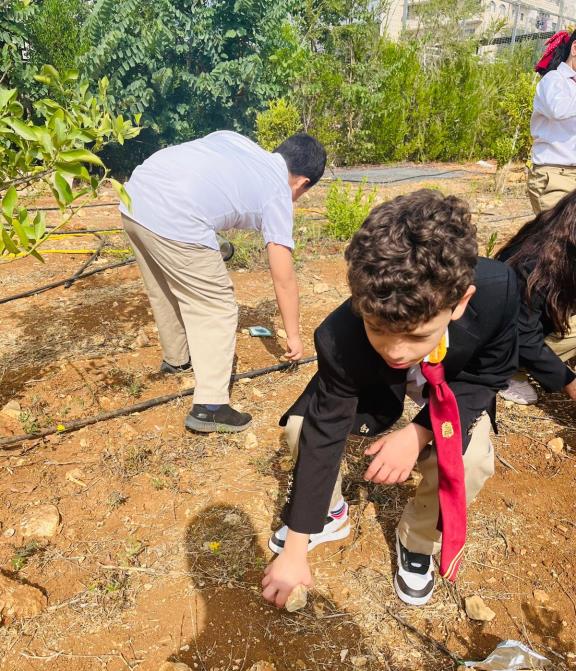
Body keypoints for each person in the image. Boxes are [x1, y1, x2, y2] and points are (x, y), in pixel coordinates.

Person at [262, 190, 519, 609]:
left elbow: (486, 376)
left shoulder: (499, 292)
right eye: (378, 329)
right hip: (377, 389)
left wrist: (418, 433)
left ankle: (418, 540)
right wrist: (294, 549)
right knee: (300, 429)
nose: (396, 352)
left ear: (460, 302)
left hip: (453, 386)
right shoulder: (339, 336)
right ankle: (329, 513)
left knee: (470, 458)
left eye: (417, 335)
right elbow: (326, 431)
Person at [120, 131, 326, 433]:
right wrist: (294, 336)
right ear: (302, 183)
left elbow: (207, 184)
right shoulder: (279, 192)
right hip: (175, 215)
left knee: (163, 287)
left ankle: (177, 360)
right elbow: (283, 277)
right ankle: (210, 407)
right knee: (216, 305)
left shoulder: (240, 144)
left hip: (135, 197)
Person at [497, 189, 576, 405]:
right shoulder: (535, 264)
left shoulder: (559, 238)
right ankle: (508, 372)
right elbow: (522, 334)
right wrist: (569, 382)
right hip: (505, 340)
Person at [528, 30, 576, 213]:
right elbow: (558, 109)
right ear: (575, 48)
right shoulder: (553, 80)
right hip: (555, 176)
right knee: (561, 231)